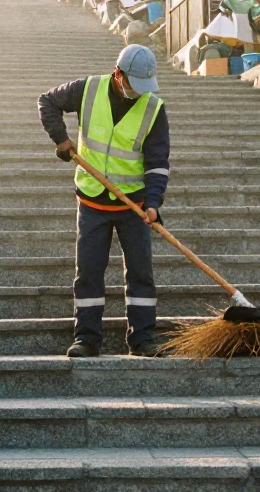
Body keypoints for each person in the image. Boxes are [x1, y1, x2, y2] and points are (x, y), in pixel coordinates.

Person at [38, 44, 170, 358]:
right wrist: (61, 138)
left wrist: (153, 202)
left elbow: (157, 161)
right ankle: (86, 338)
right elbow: (47, 101)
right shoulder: (87, 90)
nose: (138, 93)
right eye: (133, 85)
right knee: (89, 272)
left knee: (141, 273)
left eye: (143, 88)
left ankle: (143, 338)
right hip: (93, 202)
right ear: (118, 74)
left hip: (133, 205)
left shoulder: (153, 108)